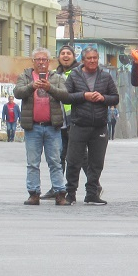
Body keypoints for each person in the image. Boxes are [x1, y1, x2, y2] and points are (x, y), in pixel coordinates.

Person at [63, 47, 118, 205]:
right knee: (73, 161)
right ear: (83, 60)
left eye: (95, 58)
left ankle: (92, 194)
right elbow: (66, 97)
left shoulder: (105, 76)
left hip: (99, 126)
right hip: (79, 124)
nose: (92, 61)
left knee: (96, 162)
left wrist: (103, 98)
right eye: (89, 58)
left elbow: (115, 98)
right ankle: (70, 194)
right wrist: (84, 96)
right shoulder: (74, 76)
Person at [13, 48, 69, 206]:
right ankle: (33, 193)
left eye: (44, 59)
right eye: (38, 59)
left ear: (49, 62)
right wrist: (32, 86)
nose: (41, 62)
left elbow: (65, 95)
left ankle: (60, 193)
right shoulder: (25, 76)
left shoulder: (56, 78)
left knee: (55, 162)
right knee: (32, 163)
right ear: (33, 62)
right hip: (33, 127)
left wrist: (50, 88)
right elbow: (17, 92)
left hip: (53, 127)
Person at [54, 45, 80, 183]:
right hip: (59, 122)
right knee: (59, 156)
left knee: (80, 157)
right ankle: (58, 186)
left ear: (74, 57)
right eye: (62, 53)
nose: (65, 56)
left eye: (68, 53)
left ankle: (94, 186)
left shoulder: (79, 73)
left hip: (75, 121)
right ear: (58, 57)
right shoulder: (54, 75)